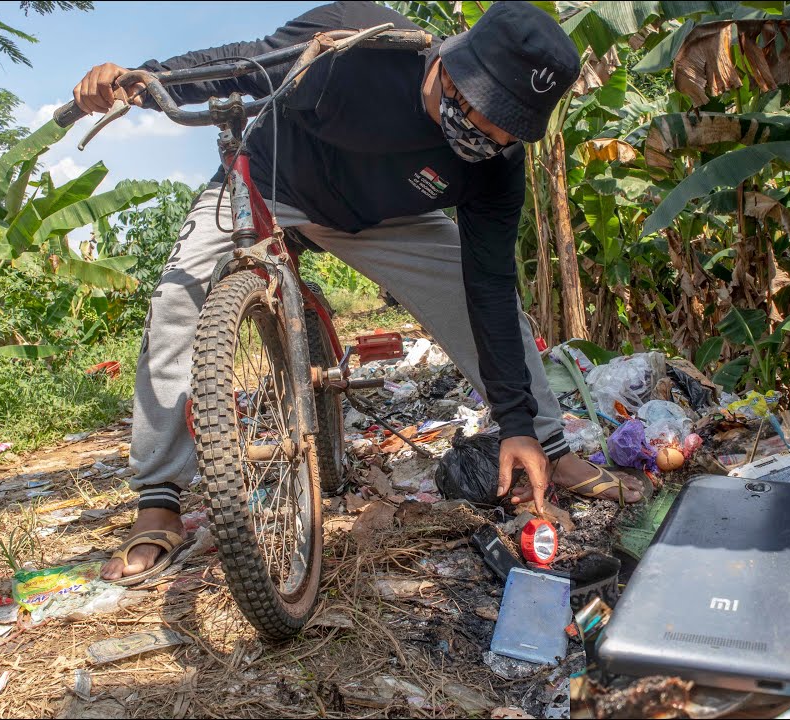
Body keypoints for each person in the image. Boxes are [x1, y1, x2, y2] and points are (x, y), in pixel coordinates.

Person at [71, 1, 645, 585]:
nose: (483, 136)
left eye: (504, 130)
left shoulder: (496, 164)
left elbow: (490, 288)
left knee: (478, 301)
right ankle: (159, 498)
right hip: (275, 181)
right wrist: (140, 79)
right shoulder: (355, 48)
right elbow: (244, 64)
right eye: (475, 110)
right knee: (175, 301)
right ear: (450, 62)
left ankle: (548, 445)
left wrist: (517, 425)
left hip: (387, 218)